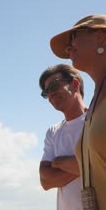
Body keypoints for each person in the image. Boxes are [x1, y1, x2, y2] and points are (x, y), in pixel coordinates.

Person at [50, 14, 106, 208]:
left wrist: (58, 163)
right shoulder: (96, 101)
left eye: (74, 37)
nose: (68, 47)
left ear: (100, 37)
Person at [38, 64, 87, 210]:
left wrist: (58, 162)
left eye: (54, 86)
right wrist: (84, 165)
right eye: (46, 92)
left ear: (75, 84)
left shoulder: (98, 122)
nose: (50, 94)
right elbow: (46, 181)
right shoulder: (53, 132)